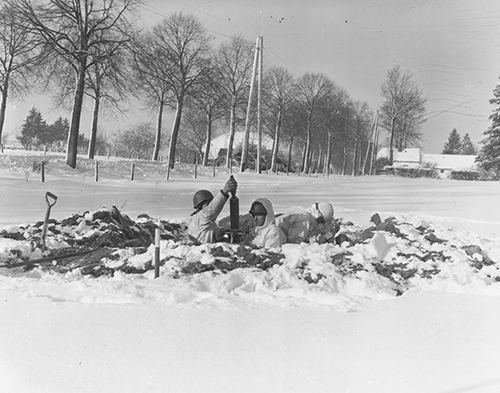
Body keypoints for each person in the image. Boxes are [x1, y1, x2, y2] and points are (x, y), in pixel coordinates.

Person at [187, 176, 237, 243]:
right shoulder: (201, 217)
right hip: (202, 251)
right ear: (200, 205)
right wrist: (225, 191)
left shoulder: (197, 220)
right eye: (208, 204)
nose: (209, 206)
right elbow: (212, 209)